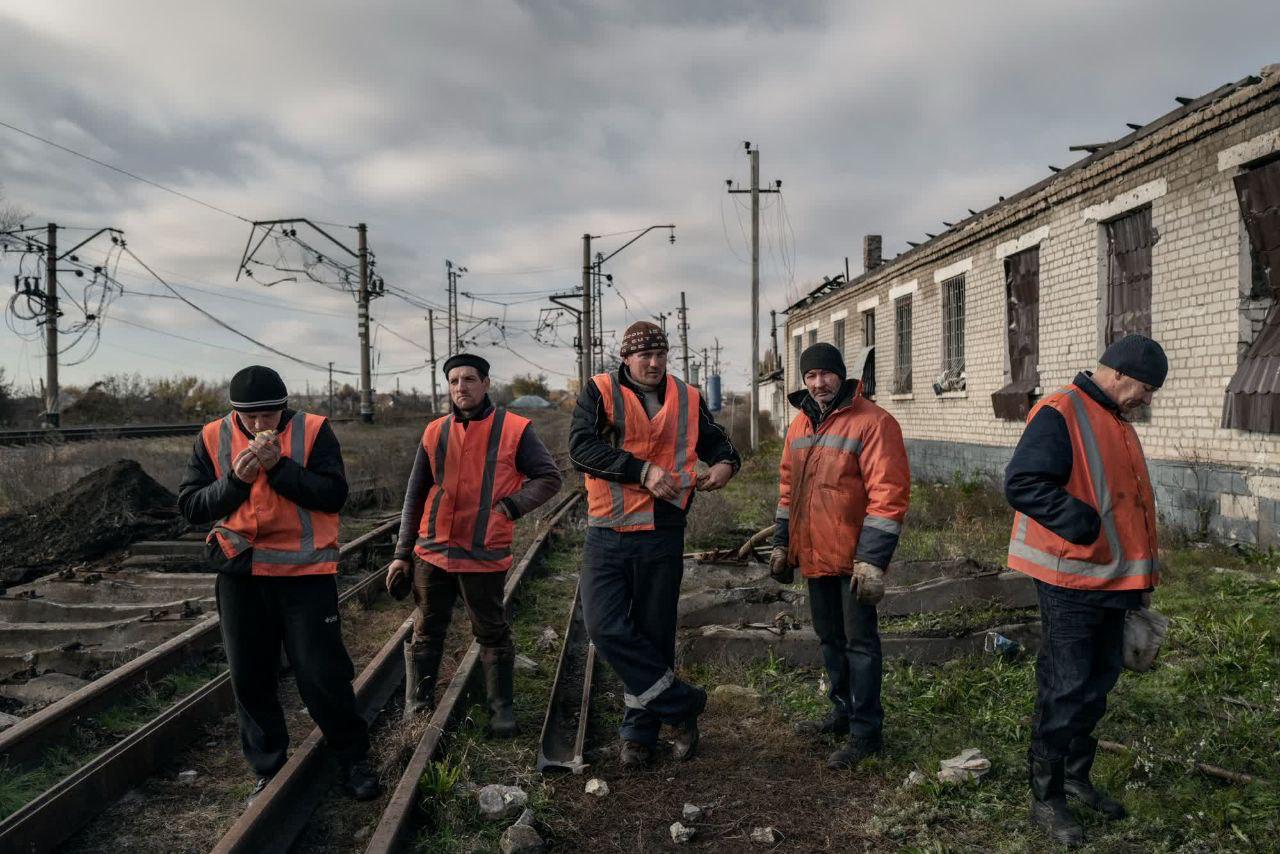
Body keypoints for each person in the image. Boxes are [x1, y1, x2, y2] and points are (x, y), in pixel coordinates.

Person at [177, 365, 379, 802]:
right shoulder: (212, 436)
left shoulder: (314, 431)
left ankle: (352, 758)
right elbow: (192, 506)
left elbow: (333, 495)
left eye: (267, 416)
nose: (258, 425)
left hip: (304, 575)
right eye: (248, 417)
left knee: (321, 673)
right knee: (250, 675)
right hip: (241, 574)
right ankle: (268, 769)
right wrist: (236, 481)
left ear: (282, 409)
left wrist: (280, 468)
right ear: (234, 412)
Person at [1005, 333, 1166, 846]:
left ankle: (1076, 776)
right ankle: (1046, 796)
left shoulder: (1116, 422)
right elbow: (1023, 482)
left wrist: (1141, 584)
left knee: (1098, 682)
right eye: (1146, 388)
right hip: (1069, 578)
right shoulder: (1061, 411)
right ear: (1120, 374)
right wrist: (1080, 523)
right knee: (1066, 684)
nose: (1147, 399)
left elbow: (1131, 507)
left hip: (1113, 580)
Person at [569, 320, 740, 768]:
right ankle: (681, 706)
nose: (654, 362)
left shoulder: (686, 395)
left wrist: (725, 466)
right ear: (625, 358)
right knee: (603, 625)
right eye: (644, 355)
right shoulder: (599, 390)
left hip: (663, 530)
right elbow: (580, 449)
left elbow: (719, 443)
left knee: (654, 632)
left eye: (660, 354)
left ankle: (638, 735)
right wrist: (642, 471)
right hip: (607, 530)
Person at [385, 353, 562, 735]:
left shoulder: (515, 428)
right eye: (453, 381)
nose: (460, 387)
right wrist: (402, 553)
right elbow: (415, 494)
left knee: (492, 631)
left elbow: (549, 478)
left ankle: (502, 712)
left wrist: (509, 507)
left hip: (483, 552)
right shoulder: (434, 431)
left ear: (485, 383)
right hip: (432, 552)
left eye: (468, 379)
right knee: (427, 629)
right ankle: (418, 709)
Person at [770, 343, 910, 770]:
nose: (818, 382)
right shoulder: (798, 427)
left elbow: (889, 495)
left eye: (826, 374)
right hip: (814, 554)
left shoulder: (874, 423)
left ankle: (866, 731)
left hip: (853, 559)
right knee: (830, 638)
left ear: (841, 375)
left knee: (860, 643)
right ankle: (843, 710)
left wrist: (871, 559)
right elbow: (788, 492)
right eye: (810, 376)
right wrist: (781, 542)